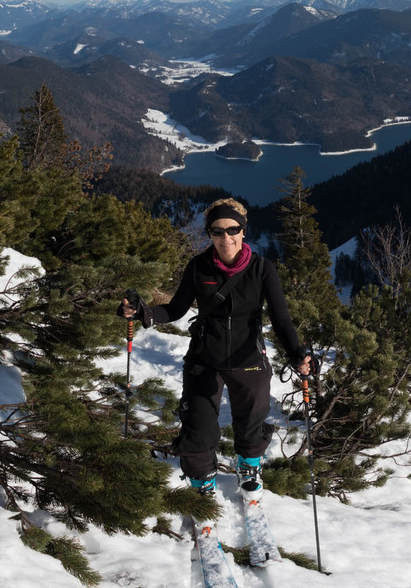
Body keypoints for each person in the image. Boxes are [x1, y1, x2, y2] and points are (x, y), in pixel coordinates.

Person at [120, 196, 314, 496]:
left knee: (251, 421)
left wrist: (297, 353)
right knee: (198, 425)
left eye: (232, 229)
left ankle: (249, 464)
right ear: (209, 233)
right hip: (205, 357)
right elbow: (175, 309)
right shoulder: (199, 267)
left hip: (248, 357)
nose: (226, 237)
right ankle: (201, 481)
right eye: (217, 231)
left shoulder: (263, 269)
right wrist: (143, 313)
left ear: (243, 231)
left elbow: (281, 319)